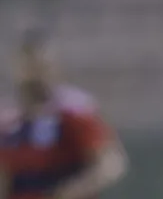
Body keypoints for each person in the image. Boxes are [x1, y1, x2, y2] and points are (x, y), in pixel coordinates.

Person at [0, 30, 128, 199]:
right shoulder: (8, 119)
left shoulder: (74, 110)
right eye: (27, 67)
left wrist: (75, 189)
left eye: (40, 66)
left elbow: (110, 164)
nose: (33, 75)